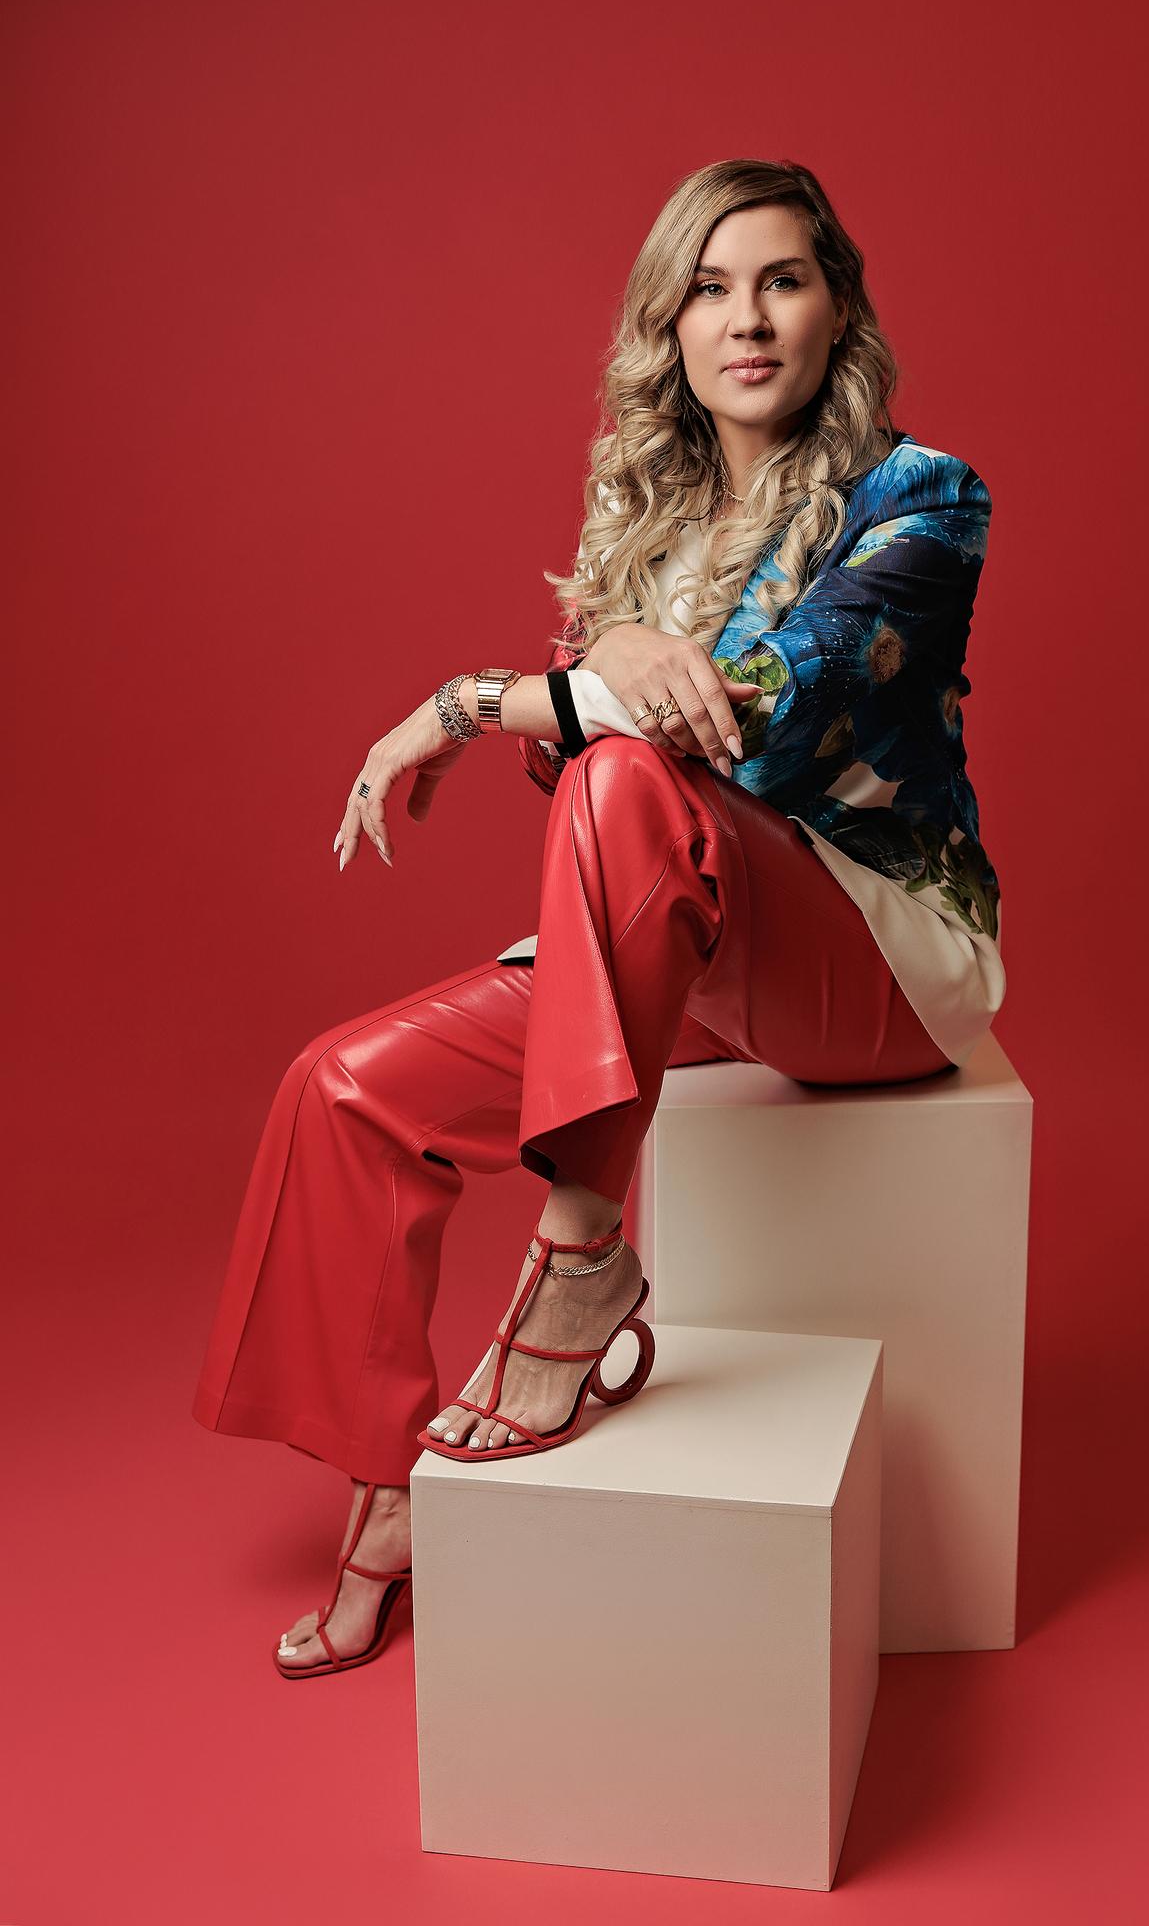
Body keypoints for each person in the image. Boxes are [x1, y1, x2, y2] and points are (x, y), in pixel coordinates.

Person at [192, 156, 1007, 1678]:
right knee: (342, 1088)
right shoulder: (657, 524)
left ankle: (583, 1258)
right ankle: (389, 1504)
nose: (746, 319)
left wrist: (464, 703)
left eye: (781, 279)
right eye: (708, 287)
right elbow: (595, 792)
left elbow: (754, 715)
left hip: (875, 963)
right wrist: (619, 639)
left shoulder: (923, 498)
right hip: (692, 950)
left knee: (633, 767)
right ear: (669, 327)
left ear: (838, 310)